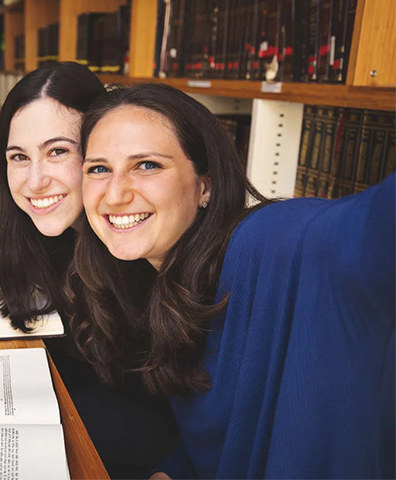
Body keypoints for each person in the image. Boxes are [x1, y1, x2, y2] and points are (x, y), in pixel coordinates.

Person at [73, 83, 396, 478]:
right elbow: (213, 448)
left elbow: (368, 229)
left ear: (204, 186)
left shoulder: (264, 239)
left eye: (147, 165)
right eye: (99, 169)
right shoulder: (159, 281)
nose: (116, 193)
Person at [0, 64, 181, 479]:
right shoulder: (51, 241)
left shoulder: (141, 246)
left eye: (58, 151)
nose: (35, 180)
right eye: (19, 157)